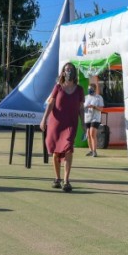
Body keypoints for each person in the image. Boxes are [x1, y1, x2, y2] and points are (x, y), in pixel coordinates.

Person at [40, 62, 85, 192]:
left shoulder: (79, 89)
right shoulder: (58, 87)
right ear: (63, 73)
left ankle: (66, 180)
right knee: (55, 152)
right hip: (56, 123)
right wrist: (44, 119)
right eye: (66, 69)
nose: (69, 71)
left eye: (71, 69)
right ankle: (57, 178)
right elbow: (50, 104)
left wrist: (83, 123)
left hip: (71, 123)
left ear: (74, 72)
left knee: (68, 148)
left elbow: (81, 108)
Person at [84, 83, 104, 158]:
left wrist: (94, 107)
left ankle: (94, 151)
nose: (89, 90)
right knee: (88, 134)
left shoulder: (98, 97)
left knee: (92, 133)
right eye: (89, 88)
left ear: (94, 89)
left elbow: (101, 109)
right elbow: (82, 107)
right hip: (87, 118)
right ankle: (90, 150)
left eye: (91, 89)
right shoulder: (86, 97)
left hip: (95, 118)